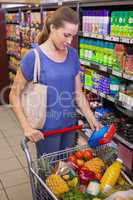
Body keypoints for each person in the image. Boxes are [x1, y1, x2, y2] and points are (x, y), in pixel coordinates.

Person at [9, 6, 100, 157]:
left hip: (69, 127)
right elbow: (13, 95)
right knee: (49, 176)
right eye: (66, 35)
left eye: (73, 36)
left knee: (67, 172)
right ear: (52, 28)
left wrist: (91, 117)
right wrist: (26, 127)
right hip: (45, 130)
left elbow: (77, 93)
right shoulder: (34, 57)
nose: (70, 41)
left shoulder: (72, 55)